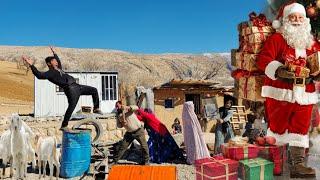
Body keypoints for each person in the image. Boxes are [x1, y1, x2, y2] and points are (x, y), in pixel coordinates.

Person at [256, 2, 320, 178]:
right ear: (285, 20)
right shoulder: (277, 39)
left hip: (304, 95)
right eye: (293, 17)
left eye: (300, 18)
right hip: (280, 93)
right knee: (278, 128)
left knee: (300, 129)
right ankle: (275, 164)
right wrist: (278, 70)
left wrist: (316, 72)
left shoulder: (312, 43)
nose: (297, 21)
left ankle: (297, 166)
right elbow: (263, 59)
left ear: (305, 21)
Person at [23, 46, 102, 130]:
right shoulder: (50, 73)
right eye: (54, 61)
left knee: (94, 90)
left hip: (77, 86)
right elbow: (39, 75)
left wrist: (54, 52)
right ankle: (64, 125)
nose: (56, 61)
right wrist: (31, 65)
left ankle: (96, 108)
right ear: (49, 63)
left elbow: (59, 61)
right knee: (71, 107)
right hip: (71, 89)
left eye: (56, 60)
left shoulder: (58, 68)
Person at [114, 101, 149, 165]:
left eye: (118, 105)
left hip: (138, 131)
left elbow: (136, 107)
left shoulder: (129, 109)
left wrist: (127, 107)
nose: (117, 107)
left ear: (122, 105)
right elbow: (119, 126)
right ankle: (115, 161)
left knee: (144, 146)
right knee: (122, 147)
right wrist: (122, 123)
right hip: (129, 133)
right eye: (116, 106)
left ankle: (146, 161)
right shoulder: (118, 115)